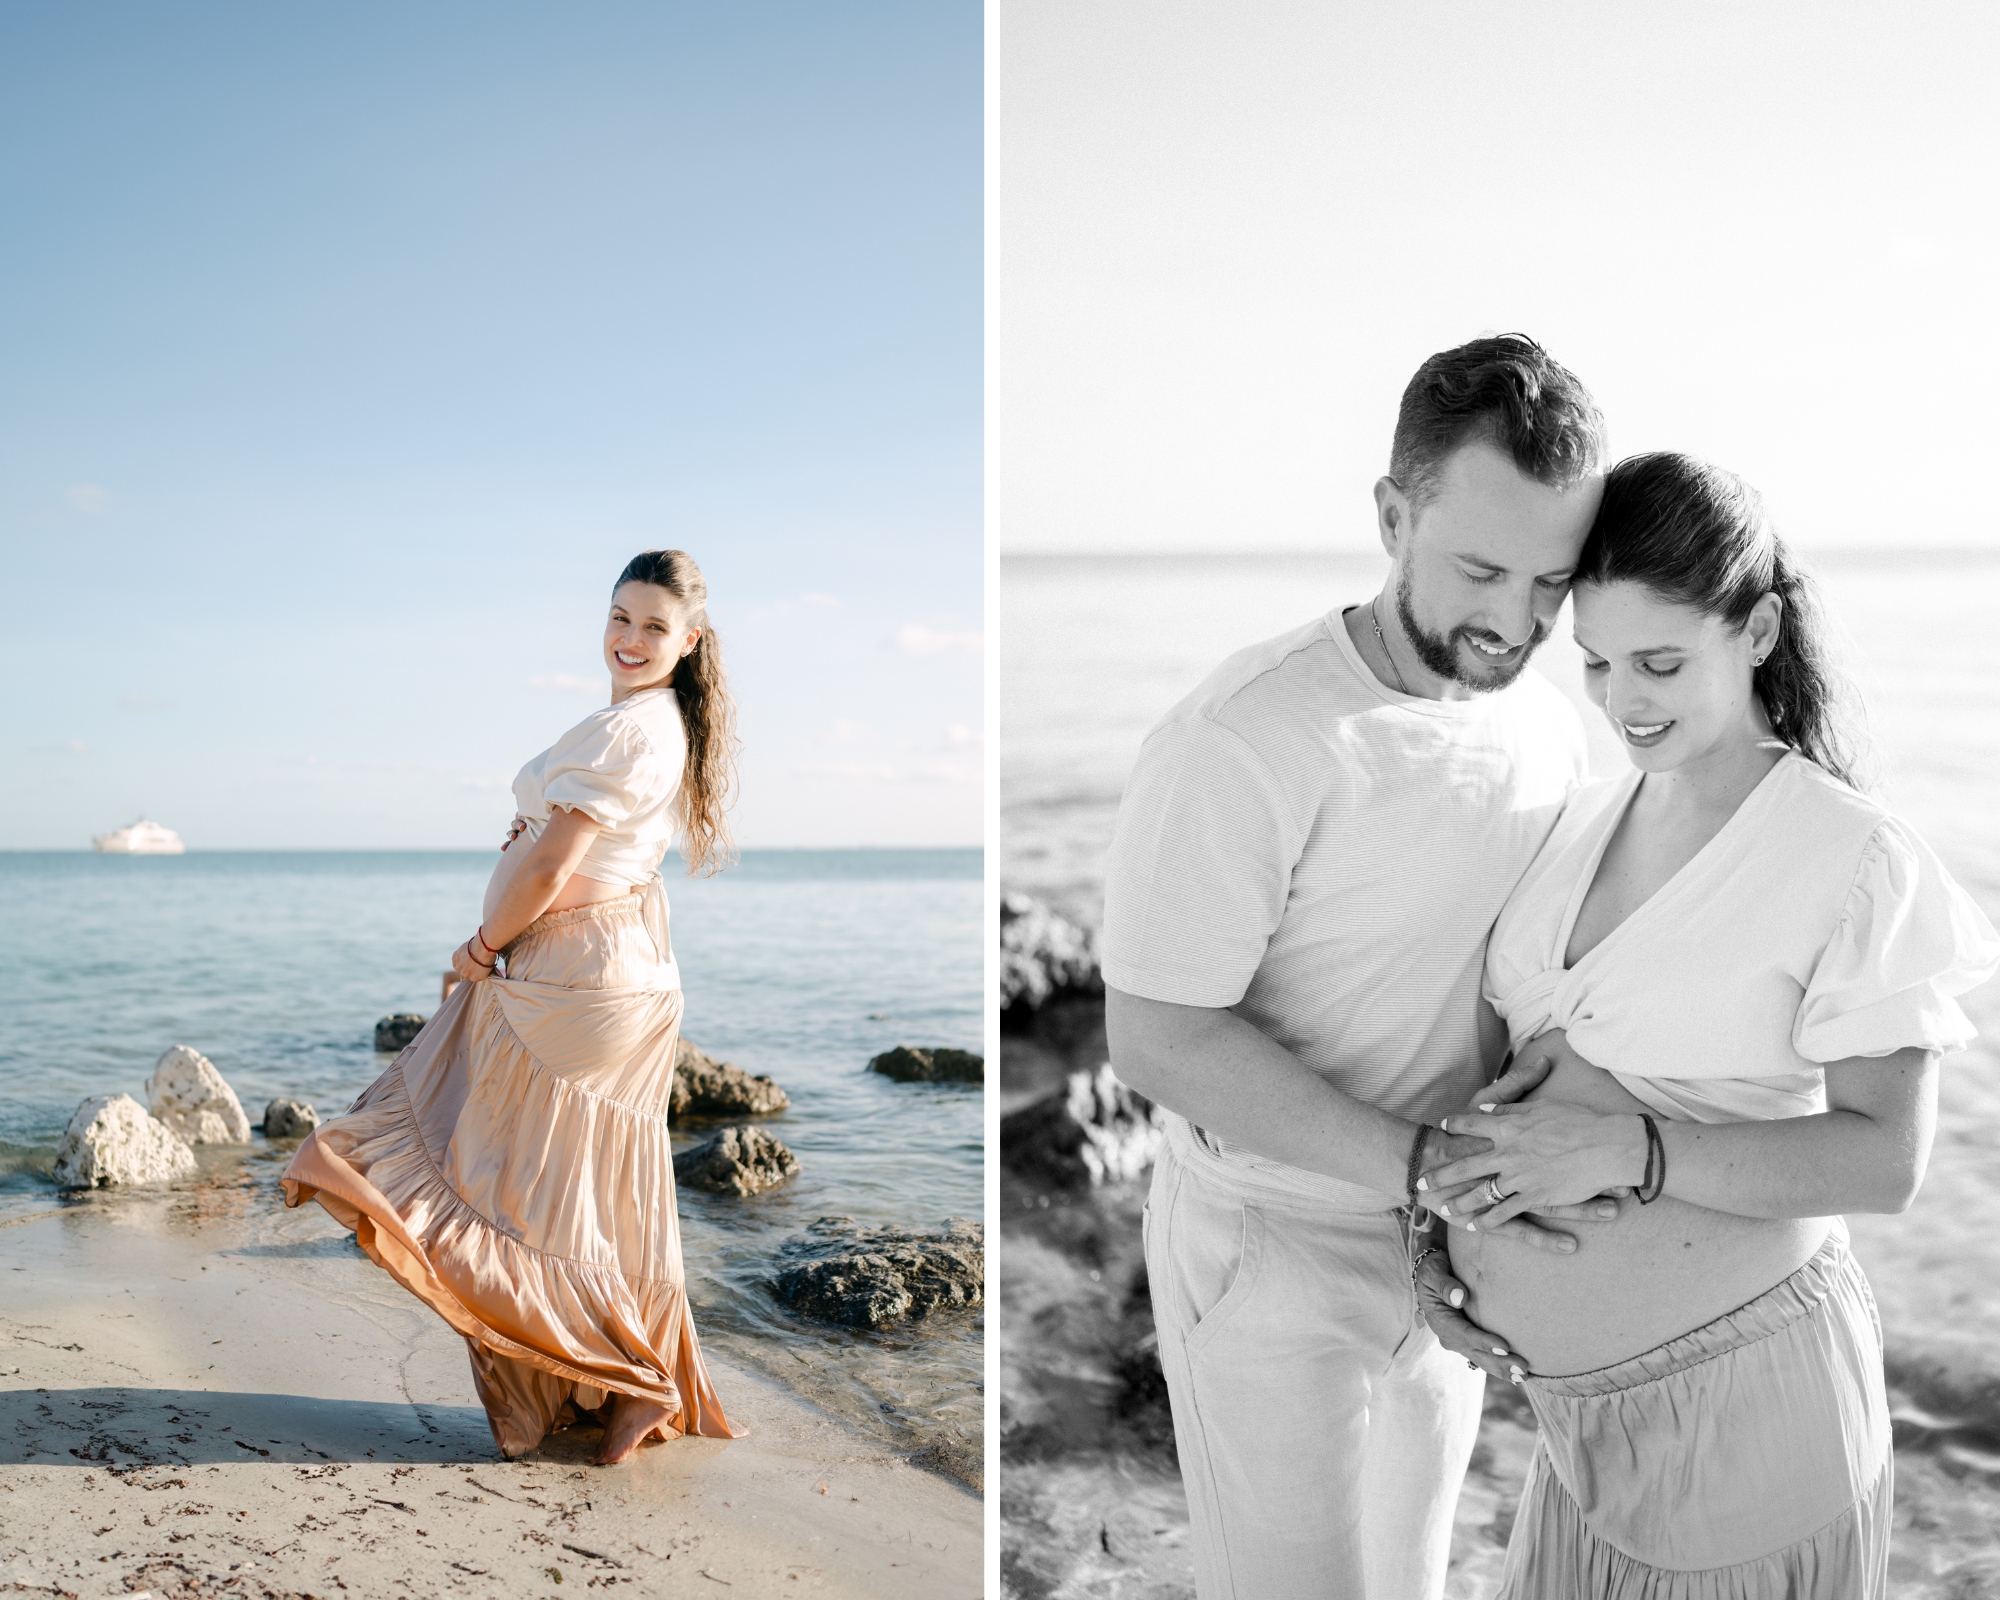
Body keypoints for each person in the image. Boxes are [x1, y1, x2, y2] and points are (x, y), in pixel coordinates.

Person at [1414, 454, 2000, 1594]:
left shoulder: (1848, 859)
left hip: (1748, 1423)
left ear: (1760, 627)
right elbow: (1513, 1083)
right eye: (1592, 664)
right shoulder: (1580, 821)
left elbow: (1884, 1160)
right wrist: (1432, 1240)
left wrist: (1628, 1150)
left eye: (1658, 662)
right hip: (1572, 1436)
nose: (1623, 700)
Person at [1103, 334, 1614, 1599]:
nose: (1515, 619)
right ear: (1392, 515)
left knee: (1413, 1583)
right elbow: (1159, 1034)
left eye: (1550, 581)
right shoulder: (1247, 735)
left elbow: (1536, 986)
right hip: (1268, 1238)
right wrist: (1425, 1172)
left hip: (1444, 1236)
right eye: (1479, 568)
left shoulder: (1553, 732)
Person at [283, 548, 740, 1465]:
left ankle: (622, 1376)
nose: (630, 638)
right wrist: (534, 833)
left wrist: (484, 946)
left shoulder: (631, 734)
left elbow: (550, 869)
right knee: (581, 1195)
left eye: (654, 626)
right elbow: (568, 848)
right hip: (613, 970)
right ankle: (617, 1381)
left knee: (503, 1177)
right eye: (620, 617)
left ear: (689, 643)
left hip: (575, 976)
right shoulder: (651, 728)